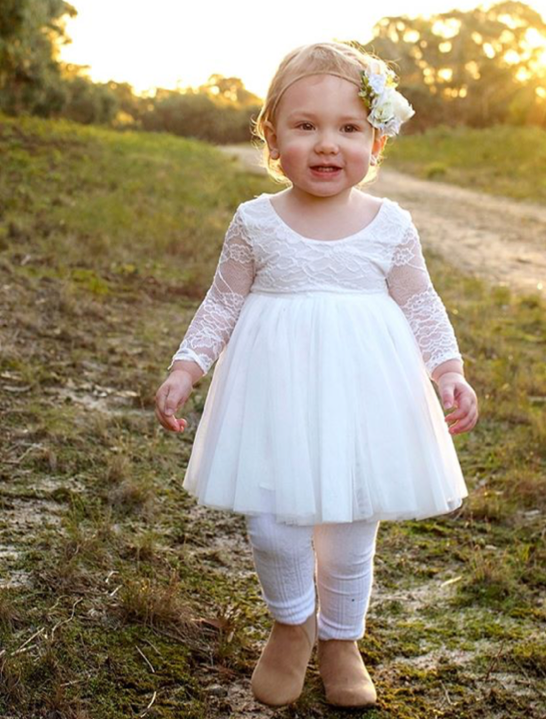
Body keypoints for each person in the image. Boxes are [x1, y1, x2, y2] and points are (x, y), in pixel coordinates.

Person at [155, 40, 478, 709]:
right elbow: (222, 299)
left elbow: (419, 300)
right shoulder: (254, 221)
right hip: (274, 392)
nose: (327, 144)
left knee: (352, 519)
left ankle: (340, 638)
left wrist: (447, 368)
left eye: (348, 128)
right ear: (273, 142)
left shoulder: (390, 224)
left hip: (362, 394)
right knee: (274, 521)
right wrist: (189, 365)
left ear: (376, 143)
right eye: (305, 127)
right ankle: (291, 624)